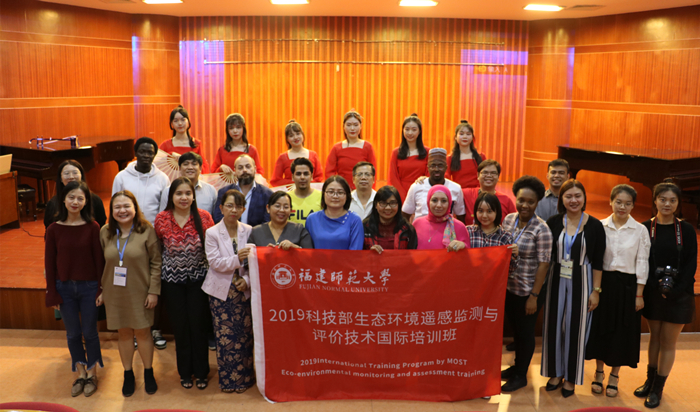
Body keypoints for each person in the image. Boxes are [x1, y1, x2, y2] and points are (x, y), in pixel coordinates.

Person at [634, 181, 696, 409]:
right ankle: (649, 382)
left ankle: (658, 389)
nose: (667, 204)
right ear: (655, 201)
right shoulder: (645, 228)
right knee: (655, 337)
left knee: (668, 341)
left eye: (672, 200)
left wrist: (675, 290)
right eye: (663, 199)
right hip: (653, 292)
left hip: (679, 295)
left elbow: (690, 265)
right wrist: (654, 286)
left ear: (678, 203)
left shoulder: (686, 230)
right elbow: (642, 261)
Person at [541, 179, 605, 397]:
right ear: (562, 199)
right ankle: (555, 372)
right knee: (553, 326)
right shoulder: (553, 222)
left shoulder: (594, 225)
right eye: (568, 196)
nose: (573, 200)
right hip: (556, 278)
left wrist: (596, 291)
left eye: (578, 196)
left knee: (576, 329)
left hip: (583, 279)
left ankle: (570, 377)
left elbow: (598, 261)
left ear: (584, 198)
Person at [585, 184, 650, 398]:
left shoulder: (640, 230)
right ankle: (599, 372)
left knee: (622, 332)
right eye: (618, 202)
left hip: (627, 287)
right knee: (600, 329)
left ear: (633, 206)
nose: (622, 207)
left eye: (627, 203)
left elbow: (642, 262)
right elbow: (594, 258)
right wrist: (594, 289)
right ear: (611, 202)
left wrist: (639, 294)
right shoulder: (599, 226)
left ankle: (614, 375)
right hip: (603, 283)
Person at [98, 191, 161, 397]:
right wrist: (101, 290)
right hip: (115, 293)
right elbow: (101, 264)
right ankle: (128, 374)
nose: (122, 210)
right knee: (123, 334)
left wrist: (153, 291)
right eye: (117, 207)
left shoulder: (146, 230)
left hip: (140, 291)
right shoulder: (105, 232)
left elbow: (156, 263)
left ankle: (148, 372)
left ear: (135, 208)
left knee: (143, 333)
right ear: (111, 210)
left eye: (127, 206)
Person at [44, 181, 104, 397]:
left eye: (80, 198)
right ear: (63, 199)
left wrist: (101, 289)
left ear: (86, 201)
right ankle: (80, 372)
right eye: (71, 197)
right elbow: (49, 263)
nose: (75, 202)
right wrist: (52, 292)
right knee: (73, 334)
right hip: (64, 288)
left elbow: (99, 262)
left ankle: (92, 373)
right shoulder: (53, 229)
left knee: (90, 332)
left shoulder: (93, 227)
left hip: (89, 287)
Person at [154, 177, 215, 390]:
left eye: (188, 193)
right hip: (172, 282)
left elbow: (212, 248)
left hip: (199, 280)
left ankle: (202, 372)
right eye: (179, 193)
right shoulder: (162, 219)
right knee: (180, 328)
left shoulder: (204, 217)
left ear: (193, 196)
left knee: (198, 326)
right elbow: (158, 248)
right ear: (171, 196)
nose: (184, 197)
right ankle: (185, 372)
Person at [499, 176, 552, 392]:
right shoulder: (509, 220)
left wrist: (534, 296)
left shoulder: (542, 229)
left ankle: (521, 375)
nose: (525, 205)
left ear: (537, 202)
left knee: (525, 333)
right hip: (509, 287)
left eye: (531, 202)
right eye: (521, 200)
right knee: (516, 331)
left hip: (528, 291)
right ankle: (516, 367)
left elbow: (544, 265)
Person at [202, 189, 255, 393]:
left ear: (243, 210)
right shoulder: (212, 232)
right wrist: (237, 259)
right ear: (221, 208)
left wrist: (247, 281)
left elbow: (254, 264)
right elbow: (215, 263)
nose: (234, 210)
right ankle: (228, 381)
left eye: (238, 206)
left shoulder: (249, 230)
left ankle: (246, 378)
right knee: (225, 338)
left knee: (245, 336)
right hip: (220, 291)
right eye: (229, 206)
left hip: (243, 290)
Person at [112, 137, 170, 225]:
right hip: (127, 227)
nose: (146, 155)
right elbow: (115, 204)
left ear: (155, 155)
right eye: (142, 152)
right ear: (135, 153)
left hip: (153, 228)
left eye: (150, 153)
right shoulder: (121, 177)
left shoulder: (163, 179)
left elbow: (164, 209)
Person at [402, 148, 466, 223]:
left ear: (446, 167)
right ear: (428, 167)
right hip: (420, 229)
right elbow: (405, 215)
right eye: (433, 166)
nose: (436, 169)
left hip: (446, 229)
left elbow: (460, 217)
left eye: (440, 166)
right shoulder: (416, 187)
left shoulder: (456, 188)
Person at [44, 160, 106, 229]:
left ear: (81, 175)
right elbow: (49, 229)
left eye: (75, 173)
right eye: (66, 173)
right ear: (60, 178)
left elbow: (101, 226)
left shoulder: (95, 200)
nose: (71, 177)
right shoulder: (52, 203)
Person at [306, 176, 363, 250]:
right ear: (323, 194)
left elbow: (356, 252)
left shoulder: (355, 220)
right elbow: (307, 250)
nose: (335, 196)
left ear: (347, 196)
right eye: (331, 192)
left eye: (340, 192)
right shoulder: (312, 219)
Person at [212, 155, 273, 225]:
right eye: (240, 168)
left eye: (248, 166)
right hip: (229, 231)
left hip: (257, 232)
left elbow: (268, 221)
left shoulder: (267, 194)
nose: (244, 170)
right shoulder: (224, 192)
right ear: (235, 171)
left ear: (255, 169)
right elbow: (218, 219)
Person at [325, 110, 377, 189]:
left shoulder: (367, 147)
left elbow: (373, 172)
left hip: (363, 189)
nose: (352, 128)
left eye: (356, 125)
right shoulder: (336, 148)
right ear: (343, 126)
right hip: (342, 189)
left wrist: (370, 190)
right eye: (348, 125)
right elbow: (329, 173)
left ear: (361, 126)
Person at [413, 185, 469, 251]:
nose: (439, 205)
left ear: (449, 203)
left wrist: (463, 246)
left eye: (443, 201)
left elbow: (468, 254)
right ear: (428, 201)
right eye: (434, 200)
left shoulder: (459, 226)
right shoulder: (417, 224)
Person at [159, 152, 217, 216]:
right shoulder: (168, 191)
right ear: (180, 168)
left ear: (200, 168)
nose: (190, 167)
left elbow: (215, 218)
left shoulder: (211, 190)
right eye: (186, 164)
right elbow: (163, 217)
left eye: (194, 164)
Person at [249, 191, 314, 248]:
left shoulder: (299, 230)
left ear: (290, 210)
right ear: (268, 208)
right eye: (277, 206)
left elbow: (309, 255)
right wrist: (264, 252)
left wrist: (295, 248)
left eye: (286, 207)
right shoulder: (256, 232)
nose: (282, 210)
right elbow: (248, 256)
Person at [363, 185, 417, 252]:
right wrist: (368, 253)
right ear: (376, 205)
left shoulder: (408, 229)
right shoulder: (365, 228)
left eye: (392, 203)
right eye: (383, 203)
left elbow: (413, 255)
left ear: (399, 205)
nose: (388, 208)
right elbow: (358, 254)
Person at [270, 120, 324, 186]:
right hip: (290, 191)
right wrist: (295, 183)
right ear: (287, 139)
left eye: (298, 134)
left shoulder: (313, 155)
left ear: (302, 135)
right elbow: (275, 181)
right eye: (291, 136)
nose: (295, 137)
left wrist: (306, 184)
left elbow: (319, 178)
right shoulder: (282, 157)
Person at [388, 113, 429, 202]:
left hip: (421, 194)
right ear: (403, 131)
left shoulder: (427, 152)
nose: (410, 133)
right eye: (407, 129)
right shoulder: (396, 153)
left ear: (419, 131)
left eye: (414, 130)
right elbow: (393, 177)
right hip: (400, 195)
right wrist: (403, 197)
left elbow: (429, 176)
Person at [462, 159, 516, 225]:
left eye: (493, 173)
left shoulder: (506, 200)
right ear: (478, 175)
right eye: (485, 172)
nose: (489, 175)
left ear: (498, 176)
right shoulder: (465, 194)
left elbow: (514, 223)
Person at [211, 113, 265, 178]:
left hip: (246, 183)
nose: (235, 131)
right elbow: (213, 172)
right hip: (226, 184)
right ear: (227, 130)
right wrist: (221, 168)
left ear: (243, 129)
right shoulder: (222, 150)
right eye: (231, 128)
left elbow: (259, 172)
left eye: (238, 127)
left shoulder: (251, 150)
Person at [159, 105, 210, 173]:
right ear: (172, 124)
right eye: (175, 121)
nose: (180, 123)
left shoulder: (196, 143)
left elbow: (204, 167)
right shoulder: (165, 145)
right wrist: (170, 155)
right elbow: (157, 163)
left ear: (188, 122)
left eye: (183, 120)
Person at [445, 120, 485, 189]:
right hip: (459, 192)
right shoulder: (450, 158)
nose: (465, 137)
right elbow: (446, 178)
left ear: (472, 137)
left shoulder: (481, 156)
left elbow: (485, 176)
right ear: (455, 137)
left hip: (478, 192)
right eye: (461, 134)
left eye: (468, 134)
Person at [287, 157, 323, 226]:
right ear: (292, 177)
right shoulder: (286, 198)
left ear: (311, 176)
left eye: (306, 174)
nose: (302, 177)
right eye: (298, 174)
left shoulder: (322, 197)